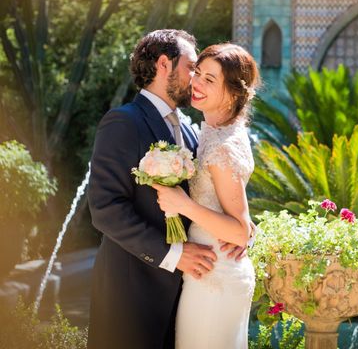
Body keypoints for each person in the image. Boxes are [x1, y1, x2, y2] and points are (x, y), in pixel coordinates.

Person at [87, 30, 246, 349]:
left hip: (189, 294)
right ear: (164, 64)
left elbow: (213, 190)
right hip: (132, 298)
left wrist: (237, 229)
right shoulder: (123, 122)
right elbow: (106, 210)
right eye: (191, 68)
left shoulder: (189, 127)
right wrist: (173, 255)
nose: (196, 79)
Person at [151, 43, 259, 349]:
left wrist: (182, 204)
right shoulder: (215, 132)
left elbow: (238, 231)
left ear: (234, 93)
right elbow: (242, 221)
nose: (196, 83)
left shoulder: (222, 145)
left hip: (217, 276)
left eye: (210, 79)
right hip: (211, 268)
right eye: (197, 72)